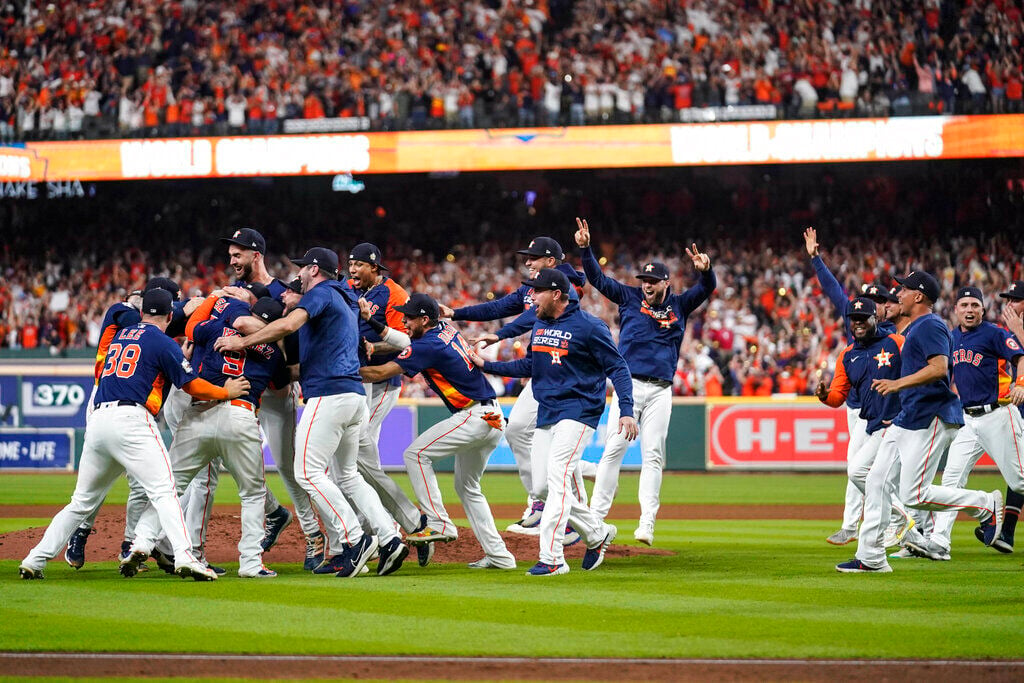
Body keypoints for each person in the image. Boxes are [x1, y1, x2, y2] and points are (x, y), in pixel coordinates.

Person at [19, 289, 249, 581]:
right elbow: (191, 385)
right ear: (168, 316)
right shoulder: (163, 341)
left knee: (81, 503)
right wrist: (226, 391)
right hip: (132, 419)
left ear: (142, 314)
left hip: (99, 419)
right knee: (165, 492)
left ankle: (34, 559)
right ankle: (186, 557)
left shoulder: (121, 335)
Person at [215, 247, 408, 578]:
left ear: (316, 270)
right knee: (348, 475)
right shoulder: (345, 297)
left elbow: (289, 324)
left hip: (329, 396)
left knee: (306, 473)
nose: (299, 274)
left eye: (303, 269)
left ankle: (354, 539)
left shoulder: (322, 292)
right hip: (352, 396)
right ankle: (389, 538)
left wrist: (241, 344)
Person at [837, 271, 1002, 573]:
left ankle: (984, 504)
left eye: (903, 289)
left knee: (915, 494)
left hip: (932, 416)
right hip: (907, 416)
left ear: (919, 296)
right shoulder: (915, 327)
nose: (897, 294)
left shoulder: (930, 325)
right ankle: (871, 557)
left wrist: (898, 385)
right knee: (875, 480)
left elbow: (940, 368)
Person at [478, 268, 638, 576]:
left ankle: (552, 558)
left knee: (558, 476)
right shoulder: (540, 323)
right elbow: (530, 364)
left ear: (556, 294)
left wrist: (627, 409)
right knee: (542, 487)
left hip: (578, 410)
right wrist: (488, 365)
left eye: (536, 291)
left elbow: (618, 367)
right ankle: (596, 531)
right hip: (548, 410)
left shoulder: (590, 327)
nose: (531, 296)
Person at [125, 295, 291, 578]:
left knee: (170, 488)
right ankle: (251, 563)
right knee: (252, 493)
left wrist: (213, 298)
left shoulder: (215, 329)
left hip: (199, 414)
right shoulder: (274, 354)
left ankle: (141, 541)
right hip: (240, 414)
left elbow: (190, 329)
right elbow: (282, 391)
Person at [575, 217, 716, 545]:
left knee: (653, 454)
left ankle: (647, 521)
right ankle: (596, 517)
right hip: (628, 386)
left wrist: (705, 270)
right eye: (645, 280)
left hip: (661, 391)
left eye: (653, 280)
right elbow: (597, 278)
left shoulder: (679, 304)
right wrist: (585, 249)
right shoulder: (629, 296)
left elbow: (707, 288)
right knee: (614, 450)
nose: (647, 285)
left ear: (666, 283)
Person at [439, 236, 588, 534]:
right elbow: (499, 307)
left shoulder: (567, 281)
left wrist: (501, 335)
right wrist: (457, 313)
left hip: (568, 373)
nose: (527, 262)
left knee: (547, 437)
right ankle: (541, 501)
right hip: (544, 370)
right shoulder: (532, 287)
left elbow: (529, 315)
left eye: (533, 258)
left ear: (550, 261)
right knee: (520, 429)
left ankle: (565, 514)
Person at [358, 292, 516, 570]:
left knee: (415, 454)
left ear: (424, 319)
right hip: (493, 414)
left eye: (408, 317)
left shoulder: (426, 345)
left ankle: (439, 522)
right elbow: (404, 340)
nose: (404, 320)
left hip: (475, 415)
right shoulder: (444, 330)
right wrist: (373, 323)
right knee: (467, 487)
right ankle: (500, 556)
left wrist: (343, 371)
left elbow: (381, 373)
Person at [67, 277, 197, 571]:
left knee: (141, 483)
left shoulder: (155, 329)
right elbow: (145, 321)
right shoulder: (121, 311)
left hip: (135, 404)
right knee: (96, 482)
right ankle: (81, 531)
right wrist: (187, 307)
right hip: (104, 396)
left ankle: (130, 542)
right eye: (171, 304)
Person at [912, 287, 1024, 561]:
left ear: (983, 310)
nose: (970, 309)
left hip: (999, 414)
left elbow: (1020, 357)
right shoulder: (950, 338)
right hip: (968, 420)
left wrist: (1020, 382)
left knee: (1020, 481)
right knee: (951, 481)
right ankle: (939, 542)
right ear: (956, 310)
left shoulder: (994, 333)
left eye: (975, 304)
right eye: (964, 304)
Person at [804, 227, 897, 546]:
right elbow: (833, 291)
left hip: (890, 411)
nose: (871, 305)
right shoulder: (855, 324)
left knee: (867, 470)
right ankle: (856, 524)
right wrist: (816, 259)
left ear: (887, 306)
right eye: (868, 300)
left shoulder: (896, 335)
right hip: (856, 407)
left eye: (878, 300)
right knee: (857, 468)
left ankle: (883, 520)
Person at [816, 297, 914, 549]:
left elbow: (919, 372)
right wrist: (826, 397)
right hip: (873, 425)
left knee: (866, 473)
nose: (858, 323)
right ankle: (908, 528)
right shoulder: (847, 355)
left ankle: (898, 520)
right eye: (854, 319)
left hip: (899, 423)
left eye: (863, 318)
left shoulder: (896, 342)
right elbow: (839, 396)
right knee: (863, 473)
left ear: (875, 319)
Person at [348, 242, 424, 537]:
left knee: (358, 443)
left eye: (359, 265)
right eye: (350, 264)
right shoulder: (348, 288)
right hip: (356, 381)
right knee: (364, 455)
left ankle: (393, 523)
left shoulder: (394, 293)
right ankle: (384, 524)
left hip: (382, 383)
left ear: (375, 268)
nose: (352, 270)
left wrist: (370, 347)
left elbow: (403, 339)